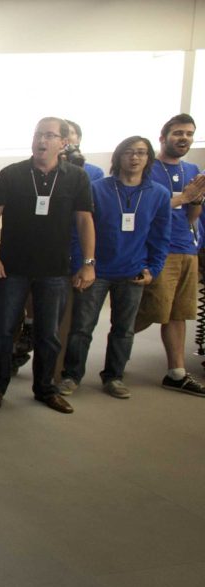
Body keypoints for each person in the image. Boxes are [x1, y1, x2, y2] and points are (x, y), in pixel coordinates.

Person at [0, 117, 95, 413]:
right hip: (12, 267)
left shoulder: (76, 178)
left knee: (48, 334)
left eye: (49, 135)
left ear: (64, 143)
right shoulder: (12, 174)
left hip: (55, 270)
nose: (41, 141)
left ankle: (45, 389)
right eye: (37, 134)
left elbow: (85, 221)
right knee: (4, 331)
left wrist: (88, 263)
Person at [59, 136, 170, 399]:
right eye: (129, 152)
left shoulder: (159, 194)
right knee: (82, 327)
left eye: (141, 153)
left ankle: (114, 377)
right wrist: (83, 265)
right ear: (118, 157)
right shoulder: (97, 189)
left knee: (123, 329)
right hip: (96, 271)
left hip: (132, 272)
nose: (135, 157)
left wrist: (153, 268)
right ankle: (71, 376)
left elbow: (160, 236)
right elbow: (79, 232)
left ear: (148, 159)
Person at [135, 112, 205, 396]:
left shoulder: (193, 170)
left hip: (188, 249)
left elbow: (192, 216)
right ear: (163, 138)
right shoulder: (148, 169)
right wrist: (184, 198)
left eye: (189, 134)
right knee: (149, 312)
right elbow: (146, 210)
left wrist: (196, 200)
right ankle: (112, 350)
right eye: (178, 133)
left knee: (178, 313)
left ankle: (176, 372)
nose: (184, 139)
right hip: (160, 251)